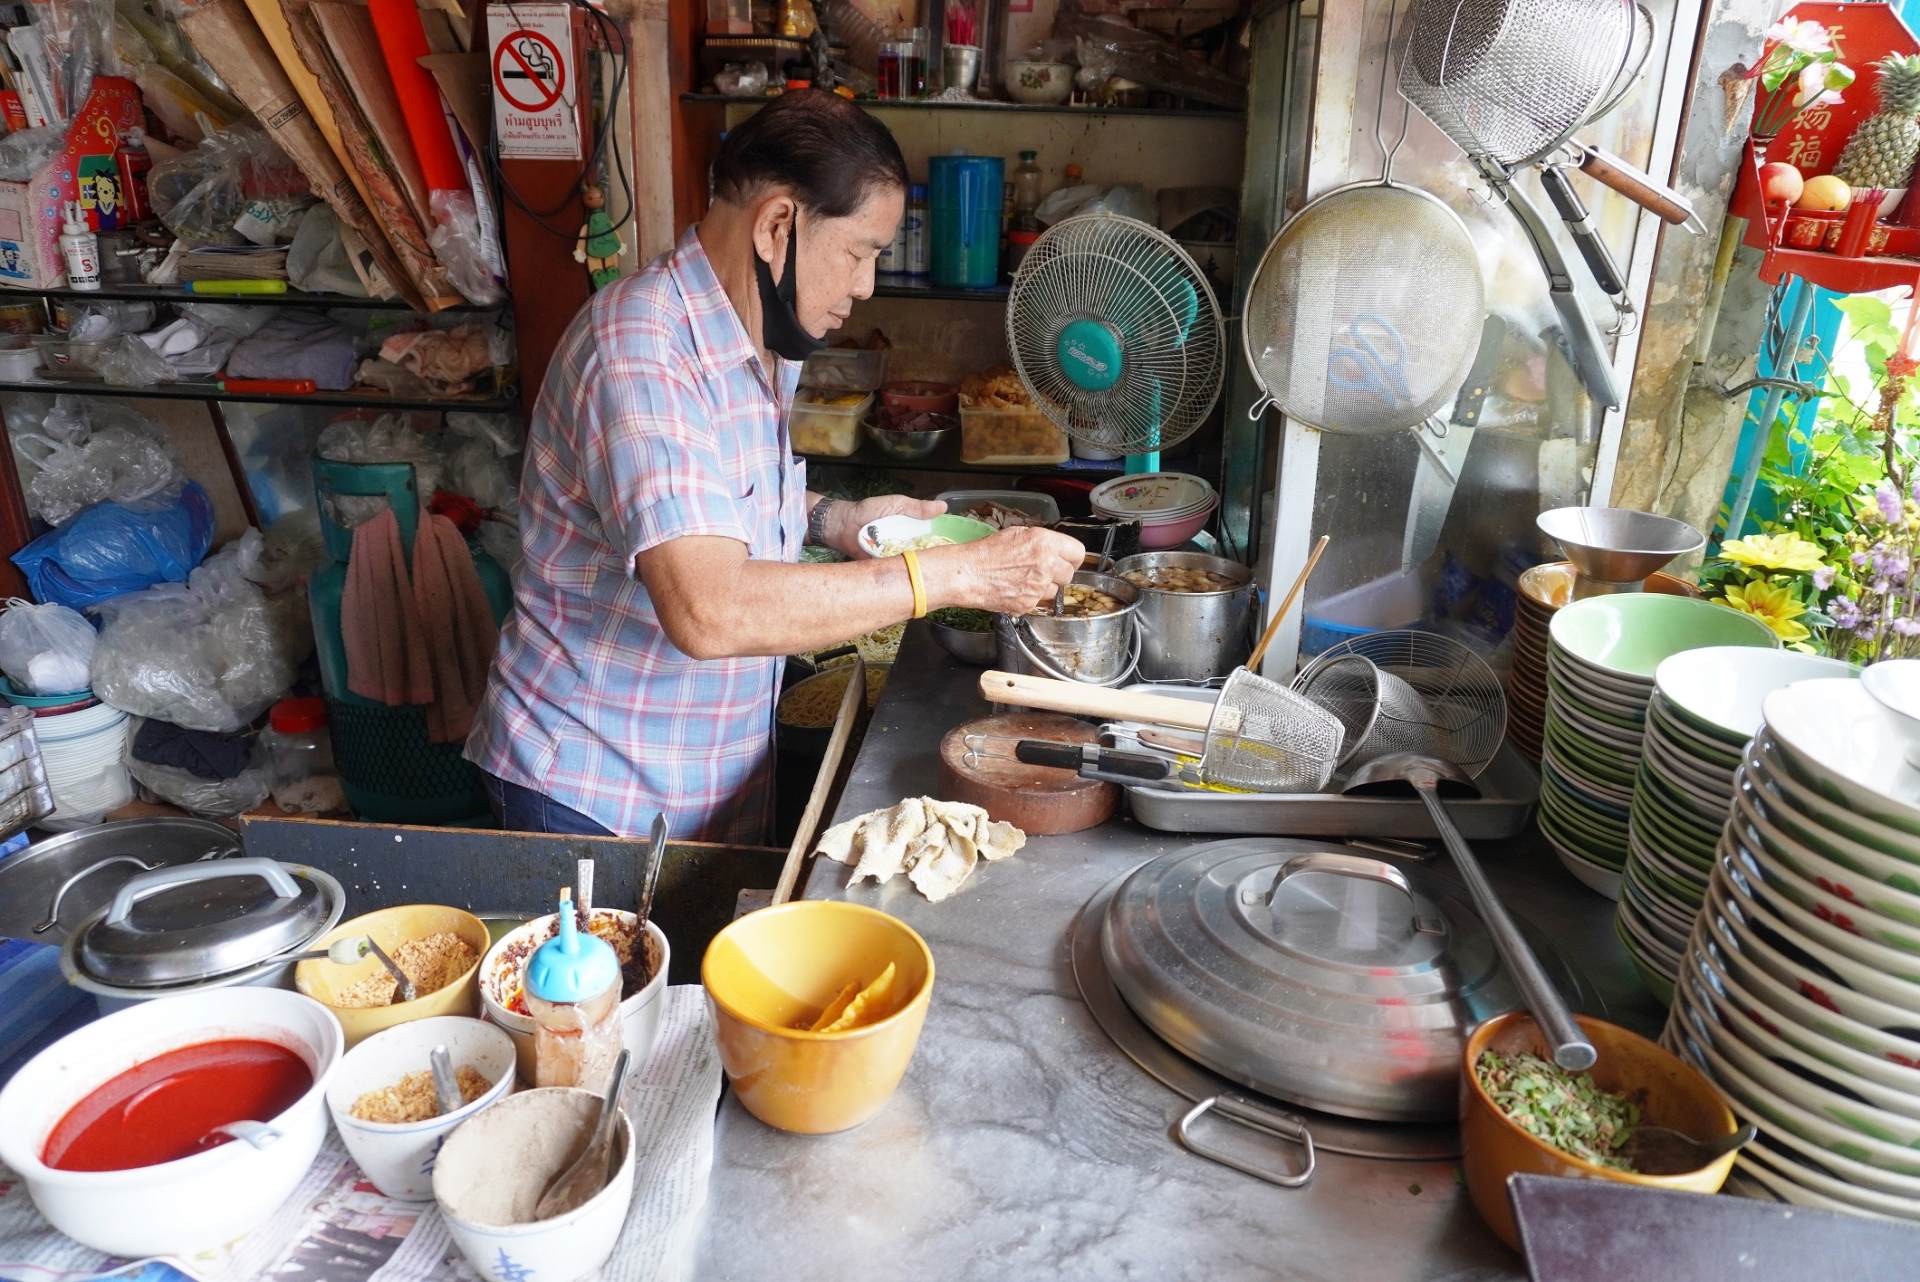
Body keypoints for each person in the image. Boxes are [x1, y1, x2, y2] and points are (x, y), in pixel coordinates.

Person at [466, 91, 1084, 843]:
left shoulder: (755, 334)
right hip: (596, 793)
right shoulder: (643, 351)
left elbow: (711, 497)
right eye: (860, 253)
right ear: (777, 226)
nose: (865, 287)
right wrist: (956, 576)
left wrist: (840, 519)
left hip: (699, 776)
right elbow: (709, 608)